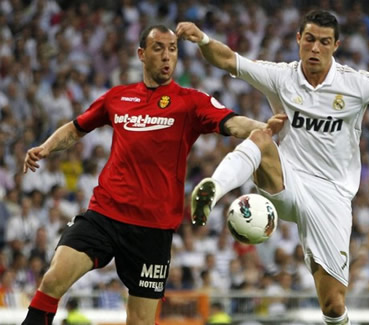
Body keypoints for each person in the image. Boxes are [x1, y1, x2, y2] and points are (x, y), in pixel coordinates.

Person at [176, 9, 369, 325]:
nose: (315, 48)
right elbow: (228, 60)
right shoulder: (281, 76)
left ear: (336, 45)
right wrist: (202, 38)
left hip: (333, 197)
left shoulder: (355, 84)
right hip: (288, 180)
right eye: (309, 39)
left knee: (333, 305)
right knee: (263, 137)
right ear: (298, 39)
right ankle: (214, 189)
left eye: (324, 42)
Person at [22, 25, 283, 325]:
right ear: (141, 55)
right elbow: (76, 128)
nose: (167, 55)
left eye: (172, 48)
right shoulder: (117, 98)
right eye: (158, 48)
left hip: (152, 229)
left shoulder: (191, 101)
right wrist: (46, 147)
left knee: (140, 321)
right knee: (53, 279)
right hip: (104, 214)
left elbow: (233, 123)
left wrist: (264, 129)